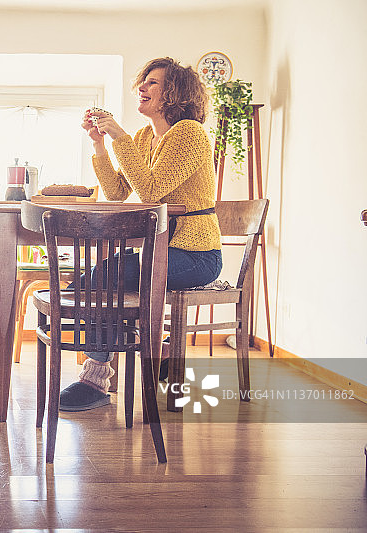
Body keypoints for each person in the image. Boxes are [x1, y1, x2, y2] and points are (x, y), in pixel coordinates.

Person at [59, 57, 223, 412]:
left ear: (174, 93)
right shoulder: (146, 136)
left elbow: (151, 191)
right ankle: (156, 347)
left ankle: (96, 377)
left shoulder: (189, 133)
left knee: (100, 280)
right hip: (160, 251)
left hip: (195, 256)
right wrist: (100, 144)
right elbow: (118, 192)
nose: (142, 88)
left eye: (152, 83)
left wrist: (119, 135)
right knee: (99, 280)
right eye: (143, 82)